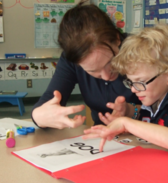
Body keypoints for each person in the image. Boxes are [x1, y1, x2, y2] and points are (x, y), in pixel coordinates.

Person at [83, 24, 168, 152]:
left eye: (140, 81)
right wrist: (124, 129)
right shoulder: (152, 99)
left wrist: (126, 123)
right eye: (130, 82)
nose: (133, 89)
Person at [32, 0, 141, 129]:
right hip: (104, 139)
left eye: (110, 62)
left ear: (117, 39)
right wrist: (38, 116)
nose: (106, 76)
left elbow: (165, 109)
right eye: (93, 71)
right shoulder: (71, 59)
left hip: (151, 137)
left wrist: (131, 112)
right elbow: (48, 102)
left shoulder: (141, 51)